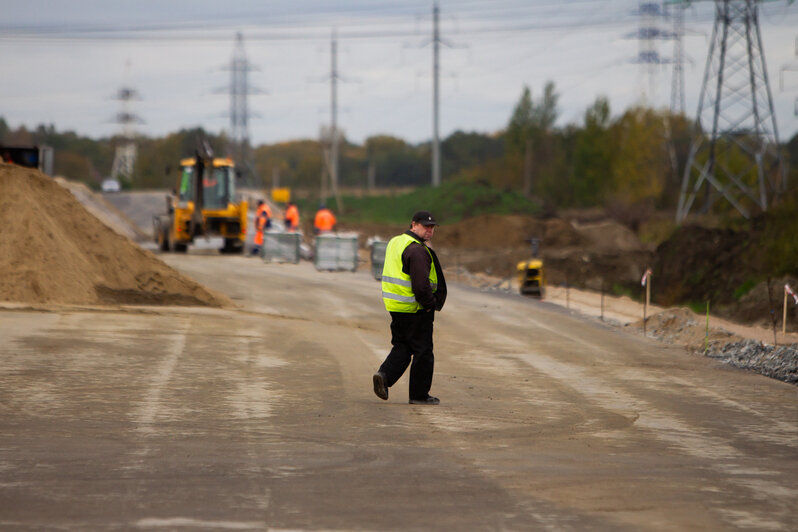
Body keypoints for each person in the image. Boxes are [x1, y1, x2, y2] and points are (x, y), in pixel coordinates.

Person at [373, 210, 447, 405]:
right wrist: (430, 305)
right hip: (416, 309)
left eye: (432, 227)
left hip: (397, 306)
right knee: (423, 351)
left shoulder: (396, 241)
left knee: (404, 345)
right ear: (414, 225)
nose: (429, 230)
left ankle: (384, 376)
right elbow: (421, 285)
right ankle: (419, 395)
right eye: (425, 226)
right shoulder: (417, 250)